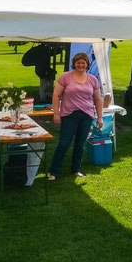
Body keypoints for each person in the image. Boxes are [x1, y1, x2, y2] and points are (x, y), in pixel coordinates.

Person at [48, 52, 103, 180]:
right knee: (63, 143)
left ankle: (76, 169)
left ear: (87, 64)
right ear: (74, 64)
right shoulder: (65, 77)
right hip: (69, 115)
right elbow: (56, 96)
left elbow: (98, 100)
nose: (80, 65)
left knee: (80, 145)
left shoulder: (93, 80)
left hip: (87, 116)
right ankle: (54, 172)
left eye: (83, 62)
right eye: (78, 62)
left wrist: (99, 117)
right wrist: (56, 114)